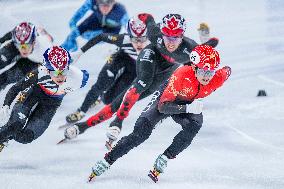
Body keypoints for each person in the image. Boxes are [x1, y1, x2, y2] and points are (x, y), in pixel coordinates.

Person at [63, 13, 219, 147]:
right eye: (167, 36)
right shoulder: (154, 33)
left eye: (175, 37)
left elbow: (207, 57)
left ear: (182, 35)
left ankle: (82, 127)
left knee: (119, 102)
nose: (171, 42)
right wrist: (136, 21)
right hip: (150, 56)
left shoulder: (190, 49)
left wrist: (209, 42)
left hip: (164, 73)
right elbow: (147, 17)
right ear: (161, 33)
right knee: (141, 82)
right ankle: (117, 122)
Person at [87, 45, 231, 182]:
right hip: (166, 100)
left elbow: (227, 70)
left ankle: (166, 157)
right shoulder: (182, 74)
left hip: (188, 101)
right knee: (141, 133)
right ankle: (108, 159)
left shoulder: (217, 78)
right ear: (194, 67)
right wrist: (188, 109)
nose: (206, 77)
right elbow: (163, 107)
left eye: (210, 72)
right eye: (203, 72)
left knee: (195, 125)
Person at [0, 46, 89, 152]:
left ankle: (5, 136)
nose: (60, 77)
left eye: (64, 71)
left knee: (26, 137)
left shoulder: (78, 78)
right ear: (47, 70)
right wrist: (6, 104)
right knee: (14, 126)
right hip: (33, 94)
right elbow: (16, 88)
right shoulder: (39, 73)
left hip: (51, 104)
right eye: (55, 73)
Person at [64, 16, 150, 125]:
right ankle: (81, 111)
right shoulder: (123, 39)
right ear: (129, 36)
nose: (138, 44)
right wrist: (80, 52)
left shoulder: (155, 42)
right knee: (101, 84)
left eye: (142, 39)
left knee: (109, 100)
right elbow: (100, 37)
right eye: (134, 39)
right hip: (120, 58)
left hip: (134, 68)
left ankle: (100, 98)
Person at [0, 22, 53, 91]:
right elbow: (12, 34)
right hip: (26, 43)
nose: (22, 50)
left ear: (34, 43)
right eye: (19, 45)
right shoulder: (18, 37)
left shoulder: (44, 49)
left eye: (26, 46)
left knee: (5, 78)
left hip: (34, 61)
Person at [61, 0, 129, 52]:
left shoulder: (121, 12)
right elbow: (73, 20)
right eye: (102, 5)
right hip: (96, 20)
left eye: (108, 5)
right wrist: (74, 31)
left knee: (96, 37)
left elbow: (130, 29)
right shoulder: (92, 2)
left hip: (111, 30)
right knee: (73, 34)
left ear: (113, 3)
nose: (104, 8)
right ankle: (59, 52)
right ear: (97, 2)